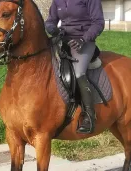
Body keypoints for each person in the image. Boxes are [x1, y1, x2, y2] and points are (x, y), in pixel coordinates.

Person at [45, 0, 105, 134]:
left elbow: (99, 22)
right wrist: (52, 28)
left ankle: (89, 116)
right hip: (63, 40)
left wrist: (83, 39)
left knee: (79, 73)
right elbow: (50, 20)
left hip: (83, 42)